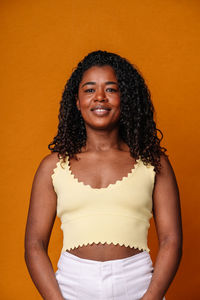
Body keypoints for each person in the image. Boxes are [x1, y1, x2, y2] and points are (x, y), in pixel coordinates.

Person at [24, 50, 182, 300]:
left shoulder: (154, 163)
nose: (99, 97)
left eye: (111, 89)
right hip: (71, 286)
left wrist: (150, 298)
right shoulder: (52, 167)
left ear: (126, 99)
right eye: (89, 90)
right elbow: (34, 245)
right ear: (77, 102)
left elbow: (171, 240)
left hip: (138, 283)